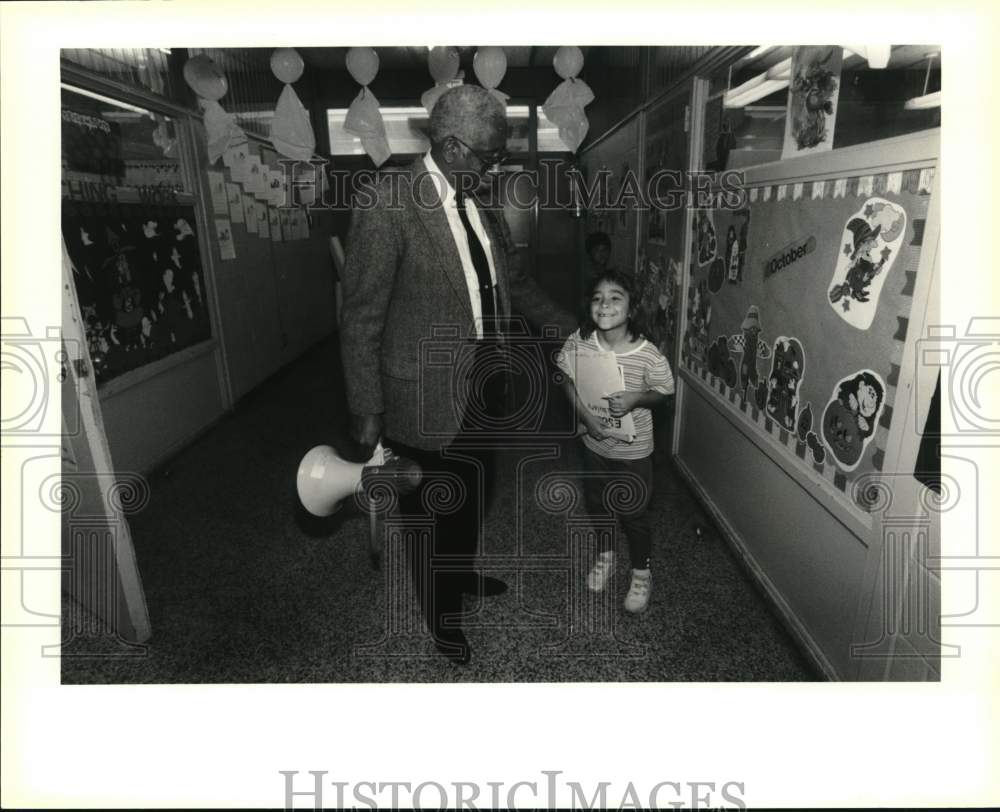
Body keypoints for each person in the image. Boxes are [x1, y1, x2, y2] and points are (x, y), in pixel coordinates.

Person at [338, 85, 572, 664]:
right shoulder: (389, 202)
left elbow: (512, 287)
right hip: (423, 392)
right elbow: (360, 314)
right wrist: (366, 407)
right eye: (490, 156)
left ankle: (461, 574)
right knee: (434, 510)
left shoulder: (481, 205)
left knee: (473, 494)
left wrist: (570, 330)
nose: (496, 167)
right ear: (452, 146)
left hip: (485, 383)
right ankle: (442, 617)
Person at [556, 268, 674, 613]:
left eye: (615, 297)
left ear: (631, 308)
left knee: (634, 512)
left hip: (634, 451)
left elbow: (665, 393)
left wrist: (637, 398)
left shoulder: (647, 354)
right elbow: (565, 376)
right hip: (594, 446)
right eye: (597, 298)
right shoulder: (579, 342)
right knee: (599, 505)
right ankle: (606, 556)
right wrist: (585, 416)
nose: (604, 304)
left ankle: (641, 573)